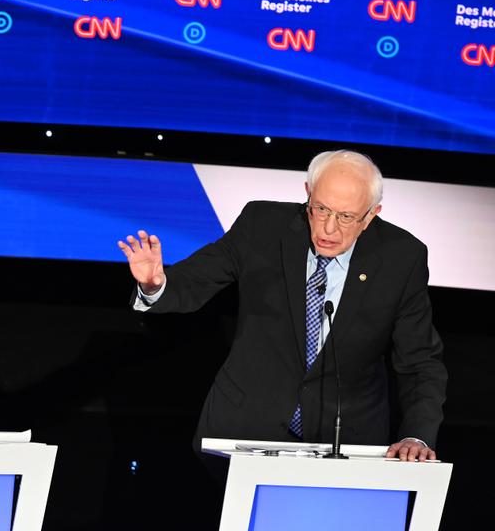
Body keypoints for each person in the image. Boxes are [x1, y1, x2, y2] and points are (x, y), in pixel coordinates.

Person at [118, 150, 445, 461]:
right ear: (308, 193)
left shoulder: (401, 258)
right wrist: (156, 284)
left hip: (346, 444)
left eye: (346, 217)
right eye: (320, 209)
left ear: (371, 215)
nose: (329, 228)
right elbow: (199, 279)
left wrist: (417, 435)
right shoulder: (262, 226)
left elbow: (419, 360)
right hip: (244, 430)